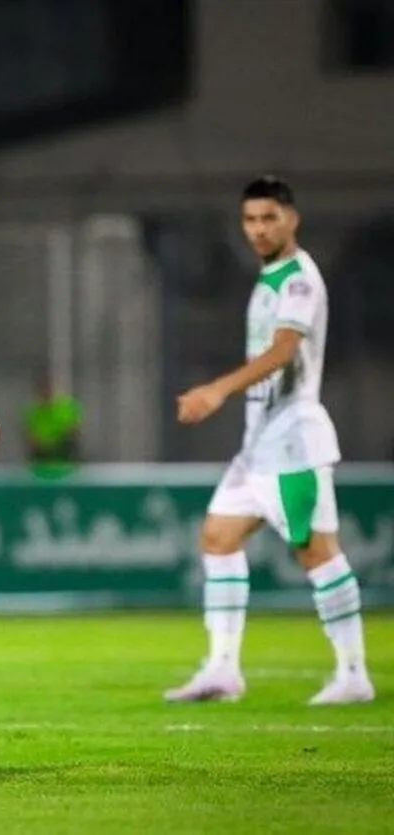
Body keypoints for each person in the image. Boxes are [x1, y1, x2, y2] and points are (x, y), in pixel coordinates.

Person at [164, 176, 374, 705]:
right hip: (259, 445)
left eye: (268, 219)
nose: (258, 229)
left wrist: (217, 389)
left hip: (293, 443)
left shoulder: (298, 281)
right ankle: (222, 669)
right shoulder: (269, 279)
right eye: (250, 220)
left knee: (316, 552)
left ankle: (352, 673)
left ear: (291, 219)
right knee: (218, 537)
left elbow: (283, 351)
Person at [23, 375, 81, 478]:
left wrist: (55, 441)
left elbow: (72, 430)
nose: (45, 394)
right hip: (41, 464)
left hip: (64, 463)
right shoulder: (34, 414)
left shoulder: (65, 409)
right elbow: (31, 436)